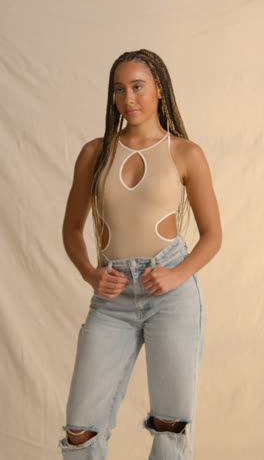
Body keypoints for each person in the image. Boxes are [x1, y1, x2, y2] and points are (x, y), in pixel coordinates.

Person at [58, 49, 222, 460]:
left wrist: (177, 274)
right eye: (119, 88)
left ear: (160, 91)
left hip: (170, 294)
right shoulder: (95, 154)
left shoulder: (186, 153)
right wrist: (90, 275)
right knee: (80, 429)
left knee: (170, 424)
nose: (128, 98)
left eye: (137, 87)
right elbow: (71, 231)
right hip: (110, 297)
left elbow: (213, 235)